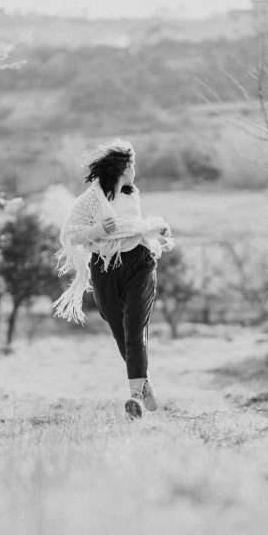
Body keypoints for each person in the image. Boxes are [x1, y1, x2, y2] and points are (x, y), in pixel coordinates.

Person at [52, 140, 173, 418]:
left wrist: (157, 229)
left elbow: (136, 227)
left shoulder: (132, 195)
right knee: (116, 325)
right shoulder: (90, 201)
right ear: (125, 168)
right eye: (133, 165)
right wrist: (97, 228)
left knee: (133, 328)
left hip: (139, 261)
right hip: (104, 267)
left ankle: (135, 398)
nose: (135, 171)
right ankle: (143, 381)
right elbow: (70, 235)